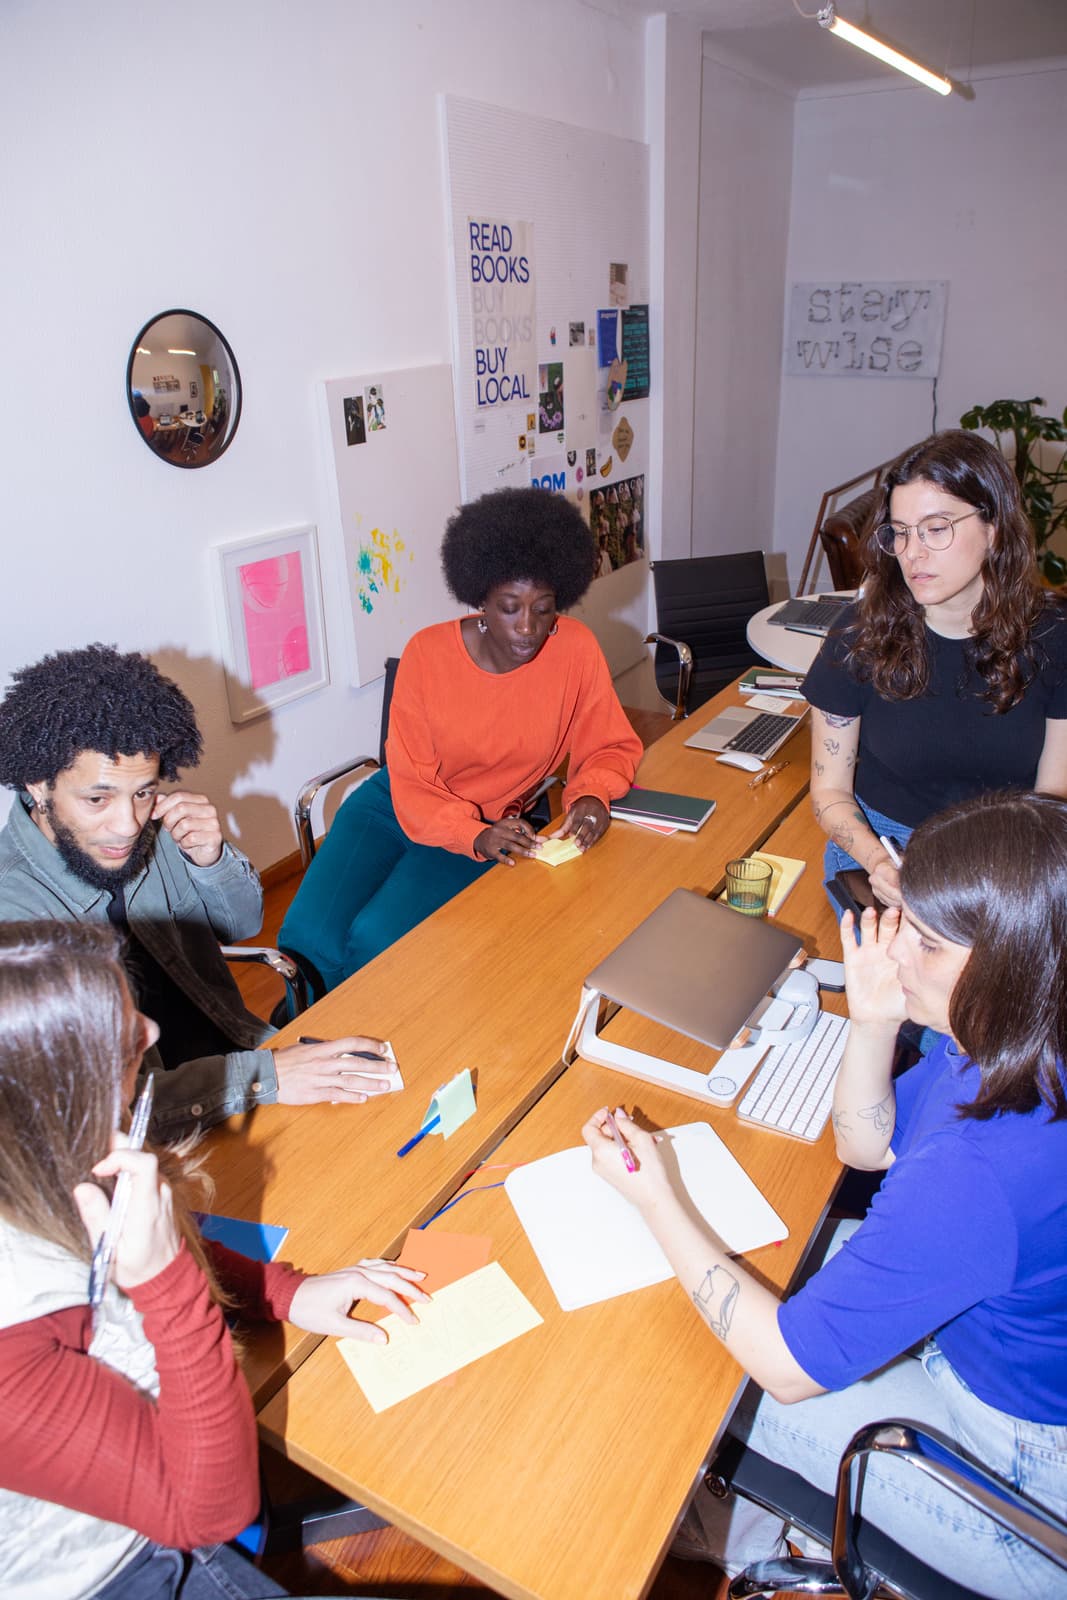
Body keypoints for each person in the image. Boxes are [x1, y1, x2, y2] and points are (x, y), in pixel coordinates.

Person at [583, 789, 1067, 1598]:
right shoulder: (1015, 1036)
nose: (888, 952)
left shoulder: (982, 1168)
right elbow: (868, 1144)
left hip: (1025, 1495)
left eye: (925, 943)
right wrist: (875, 1019)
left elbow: (782, 1365)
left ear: (1011, 963)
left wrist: (656, 1195)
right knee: (777, 1255)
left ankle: (728, 1530)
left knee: (688, 1369)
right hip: (1006, 1361)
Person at [0, 919, 428, 1600]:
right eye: (119, 1035)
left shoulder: (38, 1151)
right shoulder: (11, 1329)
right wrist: (170, 1288)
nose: (151, 1033)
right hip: (120, 1570)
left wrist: (282, 1291)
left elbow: (146, 1235)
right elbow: (206, 1511)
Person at [0, 645, 398, 1137]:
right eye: (98, 799)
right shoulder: (14, 923)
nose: (127, 824)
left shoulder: (156, 829)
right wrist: (268, 1076)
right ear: (38, 785)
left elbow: (243, 924)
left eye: (143, 792)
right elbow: (108, 1112)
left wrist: (209, 861)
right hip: (163, 1128)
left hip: (244, 1059)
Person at [280, 488, 642, 997]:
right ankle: (295, 1048)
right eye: (509, 607)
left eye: (544, 609)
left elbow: (606, 743)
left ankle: (360, 1048)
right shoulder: (427, 655)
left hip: (489, 825)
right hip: (398, 801)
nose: (528, 628)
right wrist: (468, 833)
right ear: (480, 601)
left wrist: (591, 794)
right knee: (305, 939)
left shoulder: (575, 649)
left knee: (375, 941)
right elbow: (409, 779)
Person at [804, 429, 1067, 908]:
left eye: (936, 528)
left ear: (994, 528)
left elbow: (1052, 798)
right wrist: (879, 864)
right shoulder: (859, 634)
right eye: (900, 532)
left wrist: (986, 877)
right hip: (885, 846)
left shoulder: (1055, 636)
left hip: (1009, 853)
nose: (912, 552)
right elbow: (829, 791)